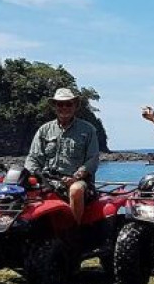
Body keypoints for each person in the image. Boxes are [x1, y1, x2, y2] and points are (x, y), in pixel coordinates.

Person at [25, 87, 100, 225]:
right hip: (48, 181)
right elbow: (33, 158)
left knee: (76, 190)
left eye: (68, 104)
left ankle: (74, 232)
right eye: (60, 104)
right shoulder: (44, 130)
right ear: (54, 106)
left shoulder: (88, 130)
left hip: (78, 181)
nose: (64, 107)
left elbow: (93, 159)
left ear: (75, 106)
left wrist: (76, 177)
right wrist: (36, 175)